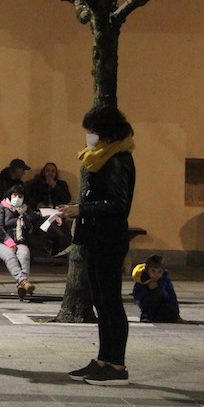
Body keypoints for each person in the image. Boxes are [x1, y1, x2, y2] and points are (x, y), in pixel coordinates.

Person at [59, 105, 136, 386]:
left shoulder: (118, 159)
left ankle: (117, 365)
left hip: (109, 238)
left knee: (111, 301)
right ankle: (104, 359)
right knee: (100, 301)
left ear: (105, 132)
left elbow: (118, 204)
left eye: (92, 130)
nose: (89, 135)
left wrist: (81, 209)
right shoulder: (102, 158)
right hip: (95, 236)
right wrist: (78, 208)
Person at [0, 184, 48, 300]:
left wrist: (52, 214)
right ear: (10, 196)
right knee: (10, 255)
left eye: (20, 196)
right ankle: (24, 281)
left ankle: (22, 286)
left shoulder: (24, 210)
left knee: (24, 254)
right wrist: (9, 243)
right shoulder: (0, 208)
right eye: (15, 195)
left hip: (19, 242)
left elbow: (37, 216)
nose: (17, 198)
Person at [26, 161, 73, 256]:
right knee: (48, 228)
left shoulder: (61, 184)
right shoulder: (36, 185)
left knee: (64, 233)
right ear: (44, 172)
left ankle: (58, 252)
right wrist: (37, 204)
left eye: (53, 171)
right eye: (48, 171)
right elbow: (30, 199)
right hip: (42, 213)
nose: (50, 173)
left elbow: (66, 199)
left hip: (57, 213)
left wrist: (54, 186)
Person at [131, 254, 180, 323]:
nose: (156, 275)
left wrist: (176, 312)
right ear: (147, 271)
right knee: (156, 292)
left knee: (171, 314)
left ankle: (155, 316)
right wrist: (147, 288)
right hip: (147, 303)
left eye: (159, 272)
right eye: (153, 271)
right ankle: (146, 315)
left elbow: (171, 295)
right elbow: (136, 295)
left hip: (162, 303)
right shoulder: (142, 279)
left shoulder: (164, 279)